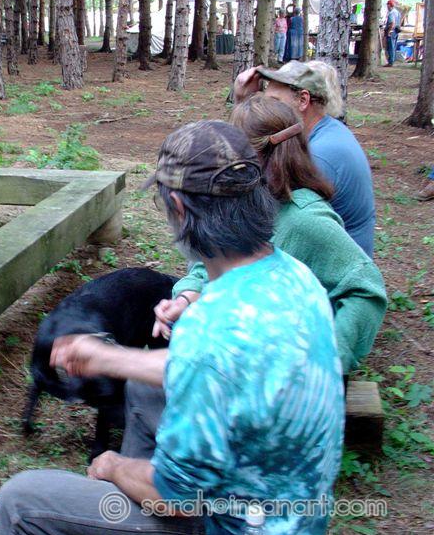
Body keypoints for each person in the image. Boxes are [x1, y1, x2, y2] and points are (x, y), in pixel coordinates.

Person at [0, 121, 345, 535]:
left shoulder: (211, 327)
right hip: (292, 507)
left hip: (230, 525)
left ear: (178, 209)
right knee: (143, 388)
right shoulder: (296, 277)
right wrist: (109, 358)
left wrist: (113, 466)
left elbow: (176, 498)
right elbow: (220, 368)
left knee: (20, 500)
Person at [163, 95, 387, 376]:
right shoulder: (248, 201)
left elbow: (366, 287)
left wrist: (329, 358)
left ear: (254, 156)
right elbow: (213, 257)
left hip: (291, 377)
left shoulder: (304, 219)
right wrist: (187, 295)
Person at [233, 60, 376, 256]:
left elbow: (258, 215)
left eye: (274, 101)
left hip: (325, 268)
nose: (268, 108)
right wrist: (243, 101)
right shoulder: (325, 130)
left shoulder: (320, 155)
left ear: (303, 100)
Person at [384, 0, 402, 67]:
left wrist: (388, 31)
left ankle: (390, 62)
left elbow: (392, 23)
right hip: (396, 31)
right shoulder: (397, 12)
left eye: (387, 5)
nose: (387, 7)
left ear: (389, 5)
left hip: (392, 31)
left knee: (390, 47)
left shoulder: (391, 13)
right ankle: (392, 60)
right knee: (393, 46)